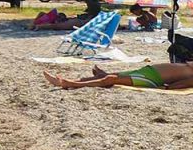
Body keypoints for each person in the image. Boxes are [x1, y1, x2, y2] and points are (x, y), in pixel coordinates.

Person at [43, 62, 193, 90]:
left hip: (151, 79)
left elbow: (186, 82)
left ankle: (70, 84)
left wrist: (168, 87)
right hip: (148, 71)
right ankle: (64, 81)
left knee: (110, 79)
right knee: (110, 75)